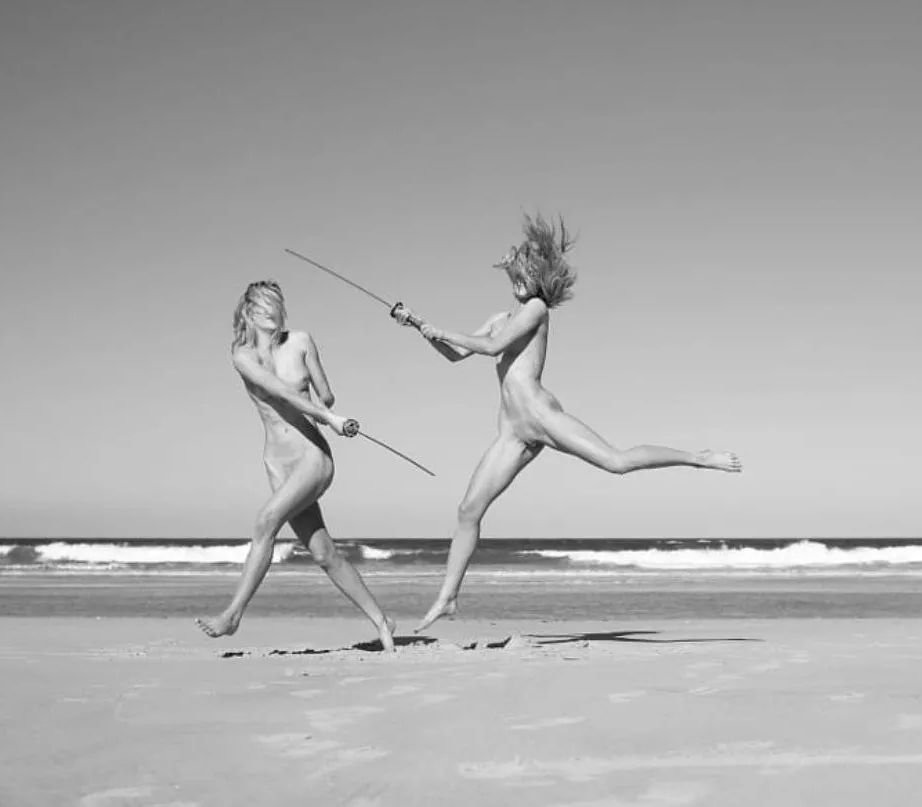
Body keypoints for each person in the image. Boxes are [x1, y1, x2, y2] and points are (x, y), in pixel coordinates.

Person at [392, 215, 742, 632]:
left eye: (525, 275)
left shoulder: (536, 310)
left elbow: (491, 347)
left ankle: (697, 457)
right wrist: (419, 327)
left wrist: (440, 328)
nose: (519, 282)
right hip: (512, 432)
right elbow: (457, 354)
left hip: (543, 417)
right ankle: (448, 598)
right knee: (468, 510)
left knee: (616, 462)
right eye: (515, 275)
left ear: (538, 278)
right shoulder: (499, 316)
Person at [198, 280, 396, 650]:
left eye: (277, 304)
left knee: (265, 523)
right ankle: (382, 621)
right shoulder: (242, 355)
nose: (273, 312)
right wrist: (329, 416)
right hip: (277, 463)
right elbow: (281, 391)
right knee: (324, 553)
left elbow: (325, 393)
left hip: (312, 455)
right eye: (264, 306)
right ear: (248, 312)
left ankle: (232, 615)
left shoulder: (301, 340)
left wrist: (328, 408)